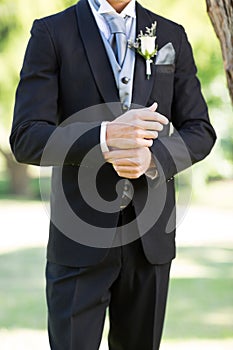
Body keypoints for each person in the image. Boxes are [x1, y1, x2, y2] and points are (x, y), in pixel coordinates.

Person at [10, 0, 216, 349]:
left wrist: (153, 157)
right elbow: (26, 137)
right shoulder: (51, 32)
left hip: (150, 240)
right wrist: (104, 138)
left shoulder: (170, 35)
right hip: (78, 239)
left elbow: (200, 130)